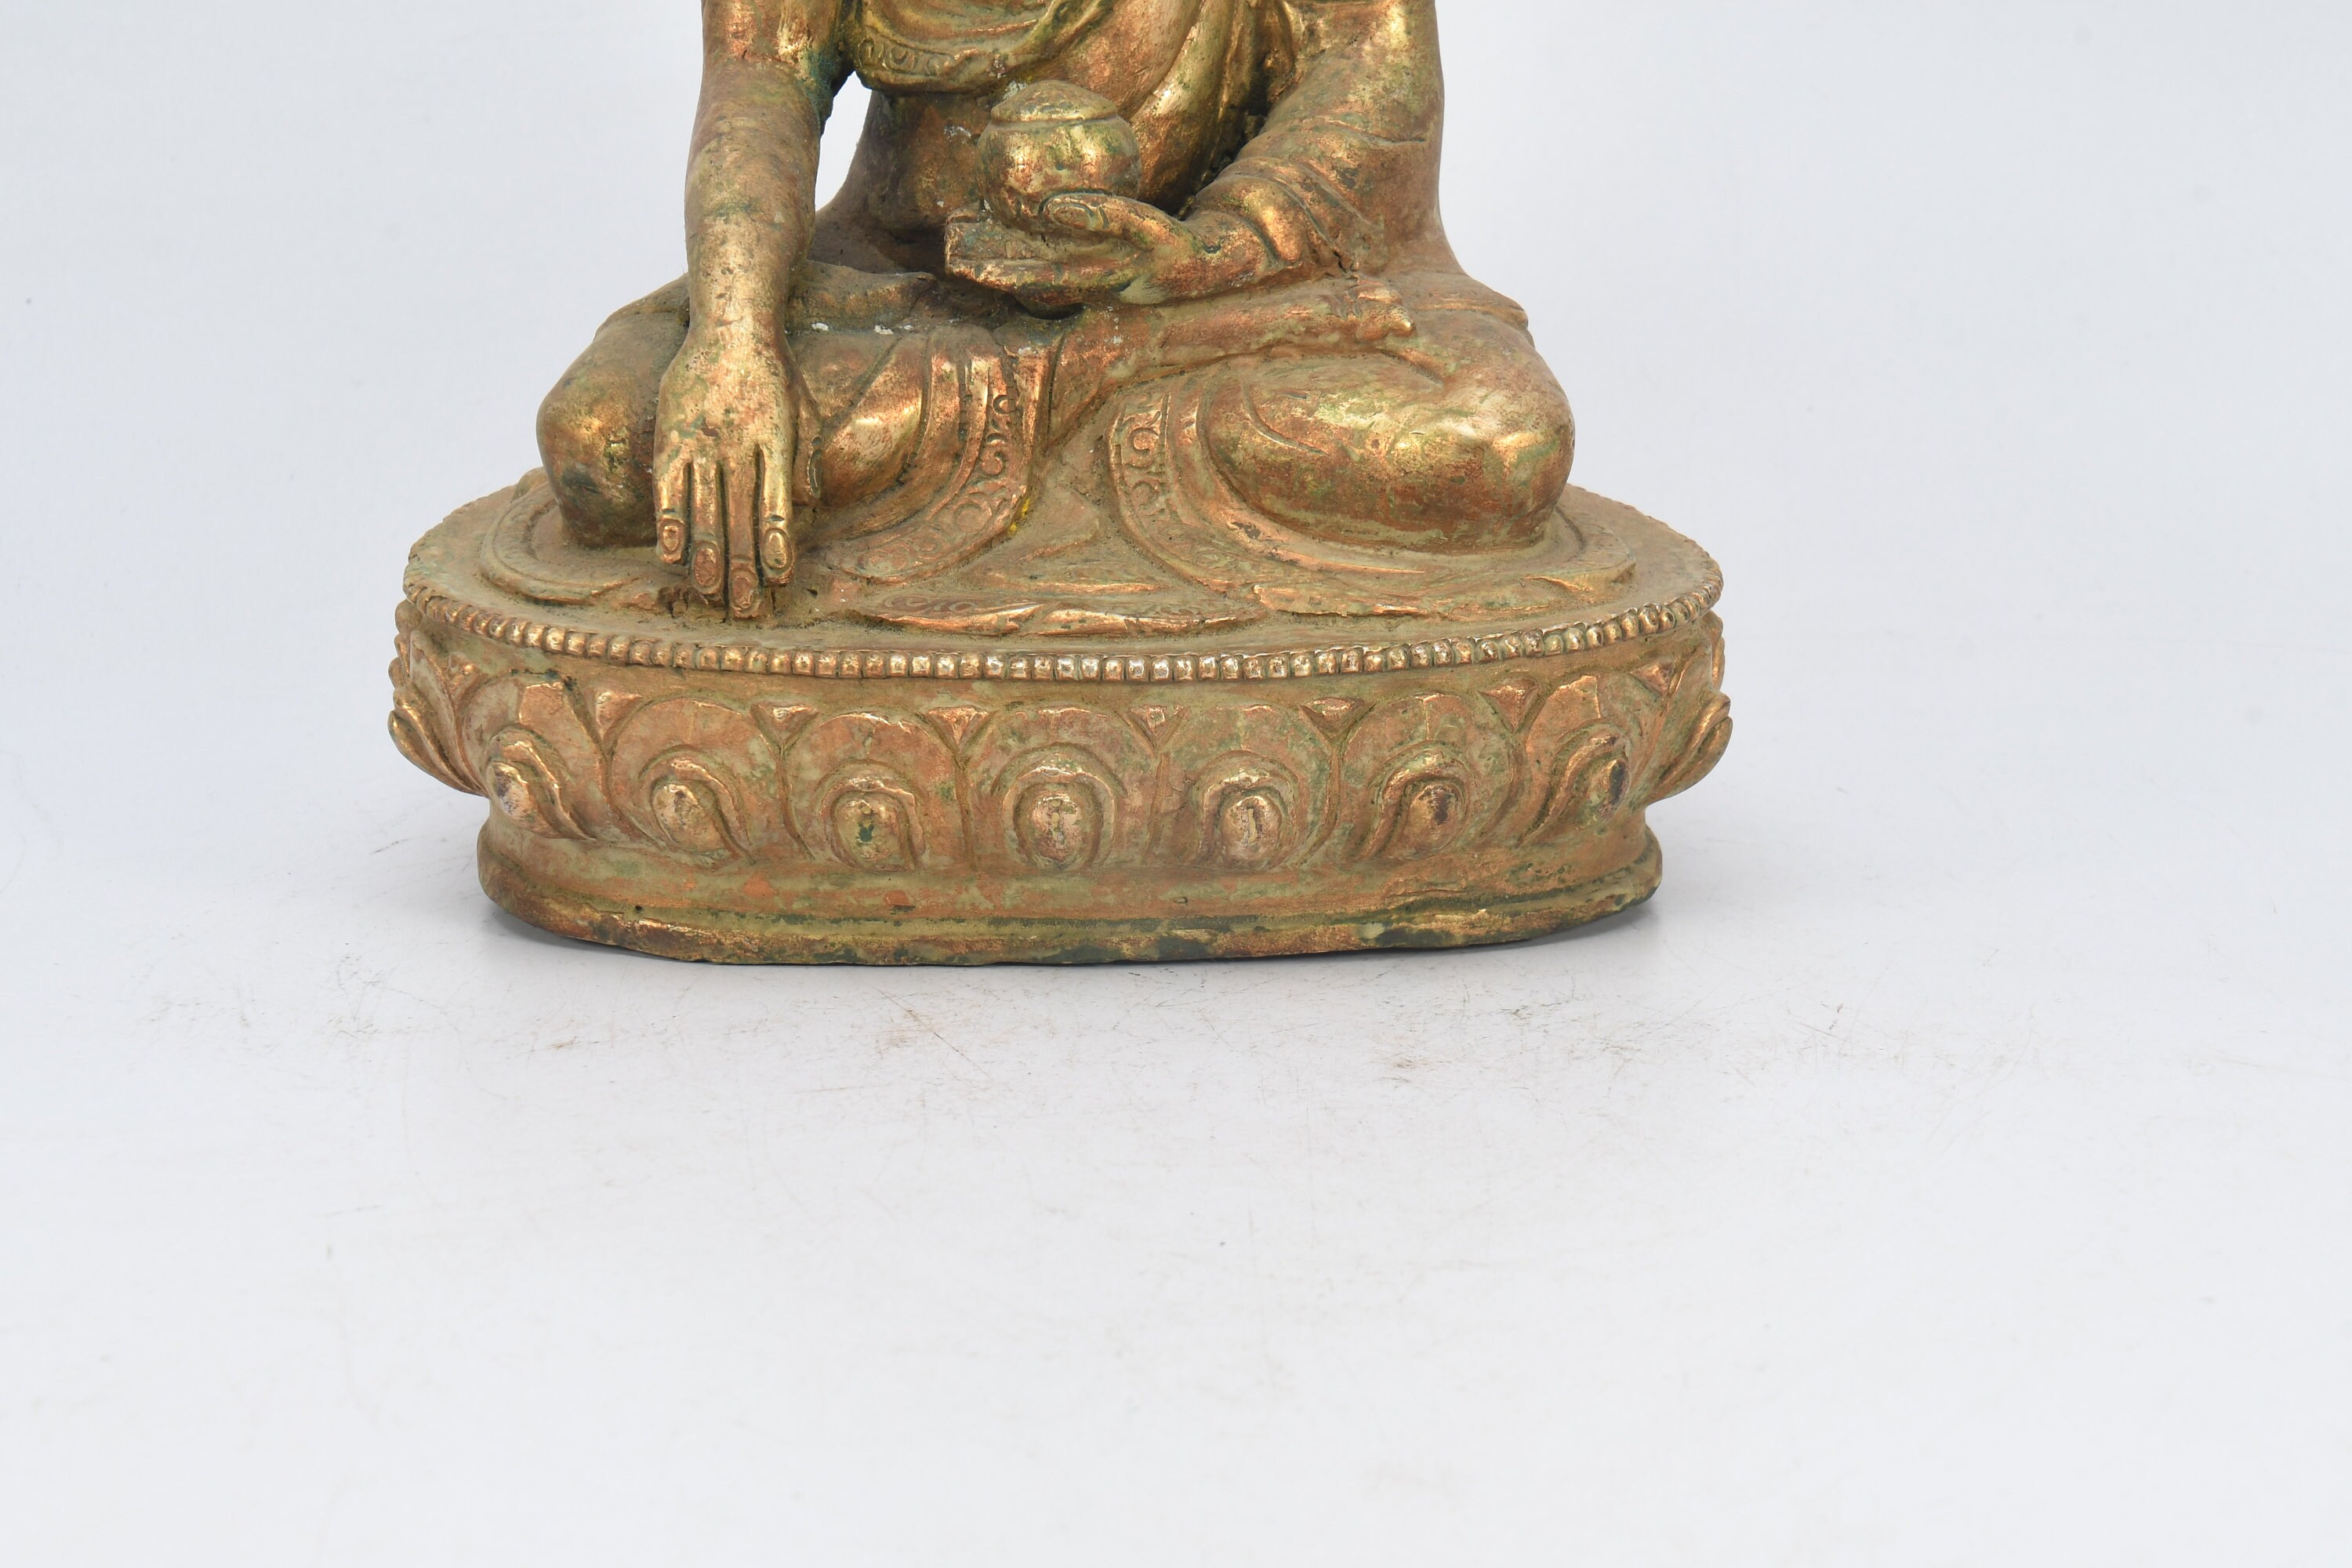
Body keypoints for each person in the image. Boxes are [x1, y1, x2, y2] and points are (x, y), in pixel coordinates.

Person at [537, 0, 1577, 622]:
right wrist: (736, 339)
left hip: (1232, 289)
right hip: (901, 297)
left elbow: (1374, 78)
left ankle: (1103, 386)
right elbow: (760, 78)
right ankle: (1100, 396)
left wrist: (1207, 250)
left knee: (1494, 435)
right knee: (602, 439)